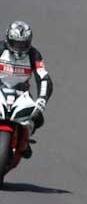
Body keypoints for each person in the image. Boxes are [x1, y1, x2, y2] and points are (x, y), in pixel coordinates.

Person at [0, 21, 53, 158]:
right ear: (8, 39)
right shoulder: (0, 49)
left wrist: (42, 99)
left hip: (21, 94)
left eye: (22, 44)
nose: (19, 47)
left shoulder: (33, 55)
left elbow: (43, 77)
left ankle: (24, 140)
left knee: (38, 118)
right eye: (16, 43)